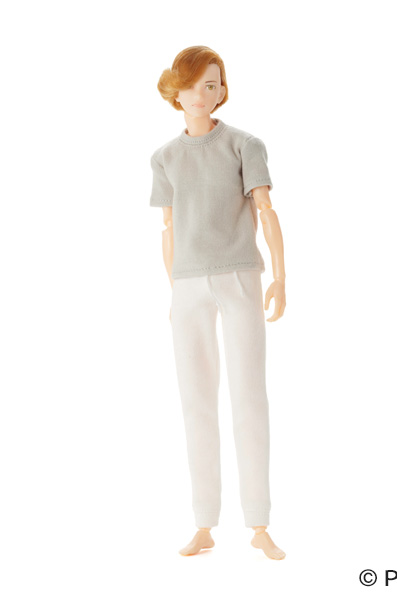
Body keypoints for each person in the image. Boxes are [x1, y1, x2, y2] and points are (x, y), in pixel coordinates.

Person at [149, 46, 286, 560]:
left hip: (240, 275)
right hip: (187, 285)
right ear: (175, 91)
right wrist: (174, 289)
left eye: (212, 84)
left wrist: (280, 276)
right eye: (193, 85)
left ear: (222, 90)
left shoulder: (244, 145)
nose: (202, 94)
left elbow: (266, 210)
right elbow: (168, 227)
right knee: (196, 401)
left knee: (250, 396)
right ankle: (204, 521)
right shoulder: (164, 158)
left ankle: (259, 522)